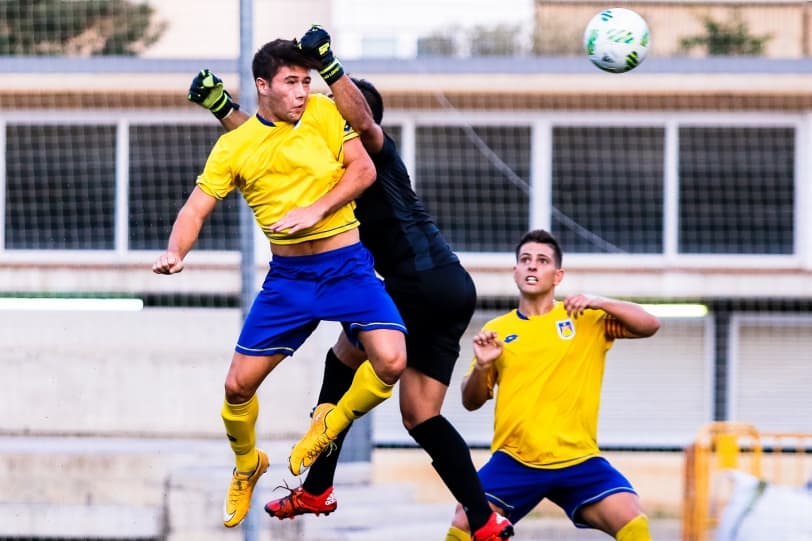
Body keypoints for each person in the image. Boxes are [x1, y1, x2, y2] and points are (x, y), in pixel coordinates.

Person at [185, 25, 515, 541]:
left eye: (316, 91)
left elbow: (351, 120)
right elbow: (265, 141)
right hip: (450, 287)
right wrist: (223, 106)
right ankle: (483, 518)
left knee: (342, 361)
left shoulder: (369, 145)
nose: (307, 102)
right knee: (420, 415)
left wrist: (330, 65)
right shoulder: (318, 145)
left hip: (414, 283)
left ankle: (318, 484)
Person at [153, 38, 408, 529]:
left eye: (305, 81)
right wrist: (175, 252)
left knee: (392, 359)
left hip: (347, 266)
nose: (301, 91)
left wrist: (316, 209)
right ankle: (248, 464)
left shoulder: (324, 113)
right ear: (263, 86)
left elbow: (364, 169)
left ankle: (329, 423)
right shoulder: (235, 145)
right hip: (289, 281)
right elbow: (196, 207)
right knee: (236, 386)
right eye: (291, 82)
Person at [444, 229, 661, 541]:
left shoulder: (585, 318)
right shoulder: (497, 330)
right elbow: (471, 400)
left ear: (558, 275)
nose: (532, 266)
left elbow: (650, 324)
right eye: (525, 260)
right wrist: (483, 365)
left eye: (542, 261)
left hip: (579, 459)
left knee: (633, 521)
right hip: (516, 460)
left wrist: (599, 301)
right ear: (515, 271)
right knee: (464, 522)